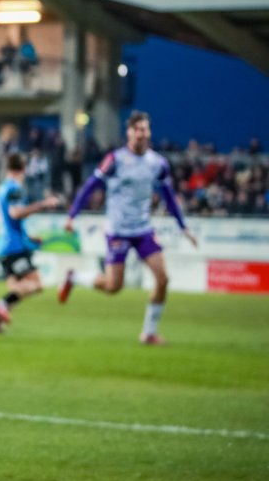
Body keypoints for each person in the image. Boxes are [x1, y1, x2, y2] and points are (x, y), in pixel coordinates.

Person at [59, 111, 198, 344]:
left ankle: (149, 332)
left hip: (143, 230)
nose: (142, 134)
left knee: (163, 279)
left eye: (145, 129)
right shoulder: (115, 160)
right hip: (118, 230)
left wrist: (183, 226)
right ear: (129, 132)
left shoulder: (157, 163)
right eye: (138, 130)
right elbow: (90, 186)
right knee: (113, 286)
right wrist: (72, 215)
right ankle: (75, 277)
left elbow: (169, 196)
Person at [0, 152, 63, 333]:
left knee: (16, 289)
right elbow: (15, 213)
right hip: (14, 247)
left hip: (6, 245)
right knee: (36, 284)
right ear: (23, 168)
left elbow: (10, 221)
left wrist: (29, 237)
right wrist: (43, 204)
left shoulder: (2, 188)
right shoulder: (14, 188)